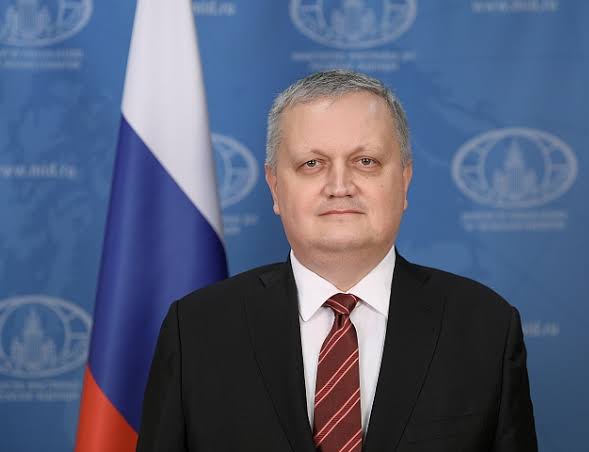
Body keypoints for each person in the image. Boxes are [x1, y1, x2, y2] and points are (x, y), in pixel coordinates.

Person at [136, 70, 538, 452]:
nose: (340, 186)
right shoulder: (196, 330)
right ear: (275, 187)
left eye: (366, 161)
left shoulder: (485, 327)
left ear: (404, 181)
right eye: (312, 164)